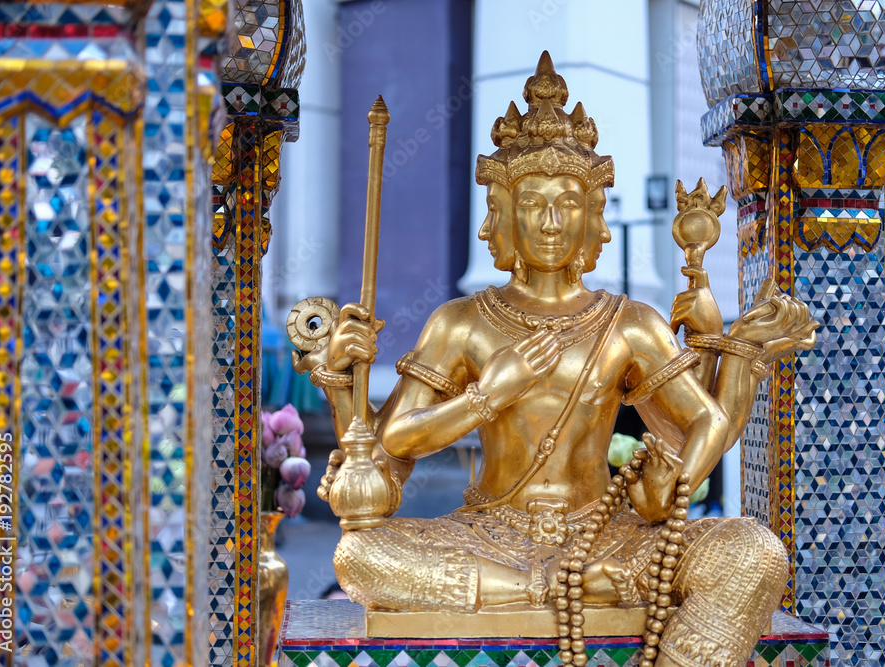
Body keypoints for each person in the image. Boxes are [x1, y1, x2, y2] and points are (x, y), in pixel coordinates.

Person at [293, 53, 817, 667]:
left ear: (593, 216)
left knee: (753, 551)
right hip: (491, 536)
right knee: (360, 558)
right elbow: (397, 444)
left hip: (604, 535)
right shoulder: (461, 322)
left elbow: (702, 424)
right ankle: (554, 589)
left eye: (568, 203)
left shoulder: (629, 322)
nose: (548, 222)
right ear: (503, 214)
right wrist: (482, 395)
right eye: (532, 202)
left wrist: (728, 373)